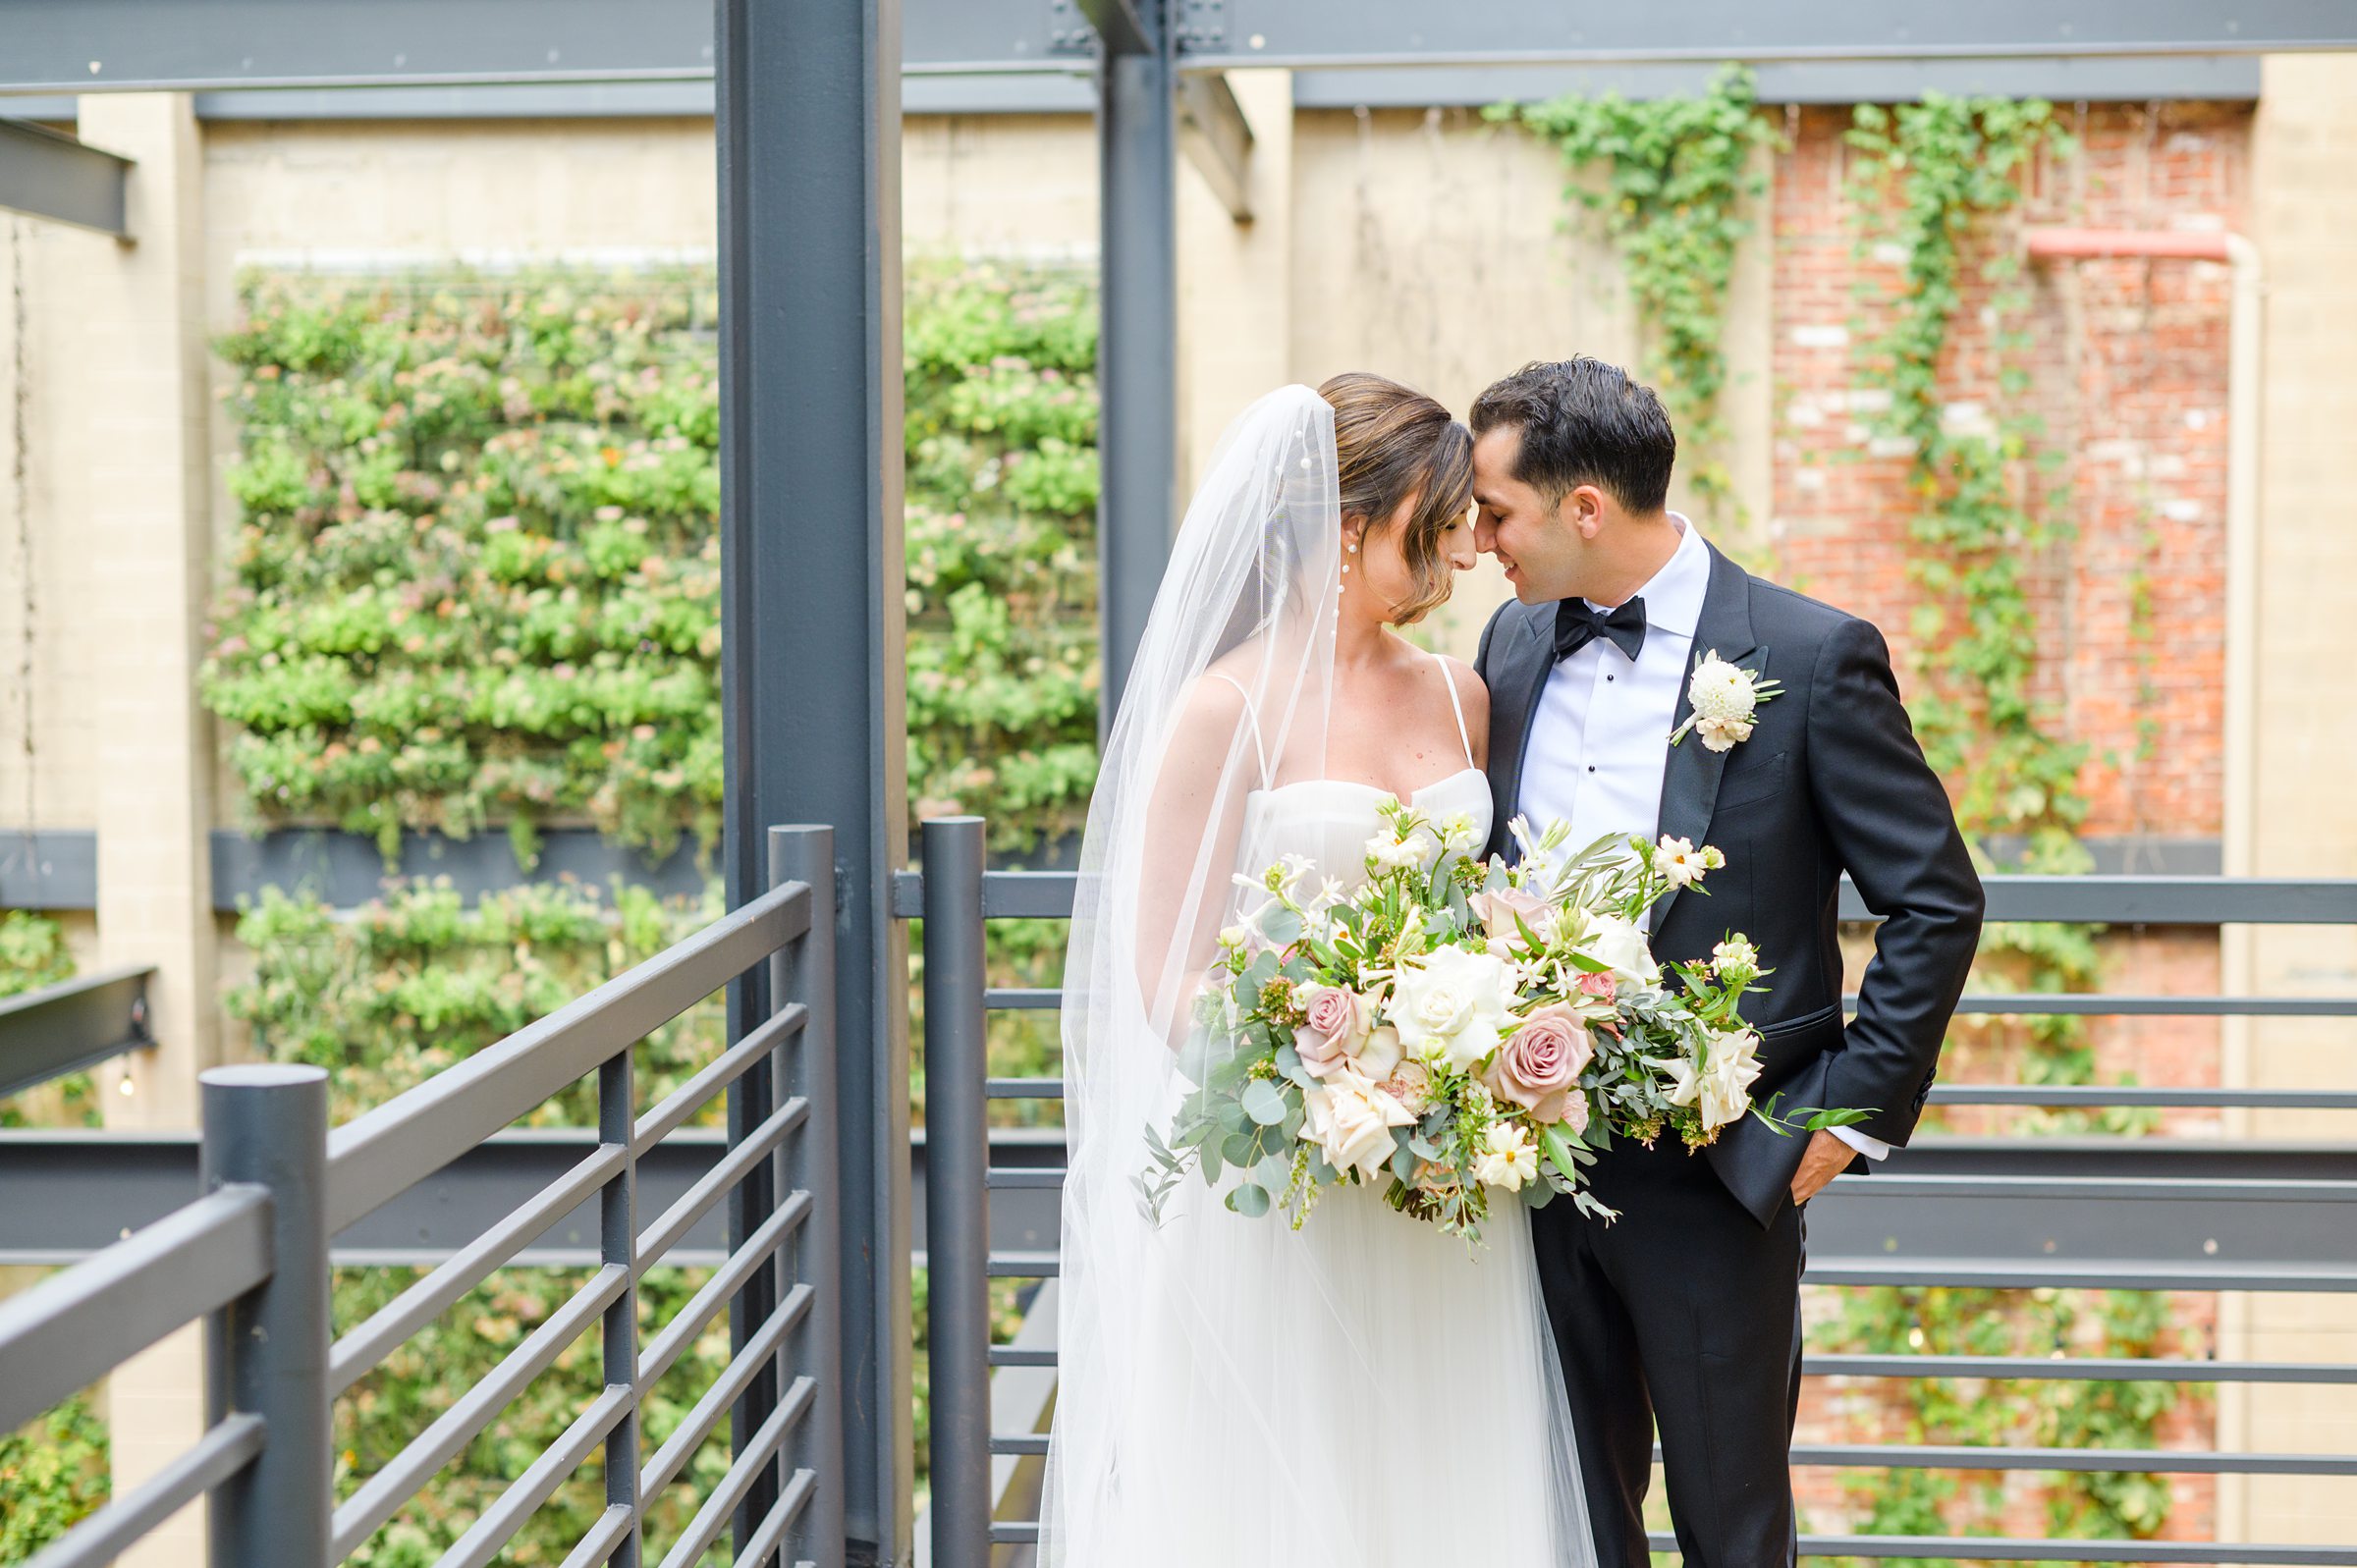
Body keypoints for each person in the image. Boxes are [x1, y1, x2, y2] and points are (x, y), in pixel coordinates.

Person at [1039, 374, 1600, 1566]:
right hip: (1287, 1200)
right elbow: (1168, 984)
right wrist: (1339, 1072)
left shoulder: (1464, 696)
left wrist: (1475, 1052)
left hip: (1447, 1192)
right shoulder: (1220, 711)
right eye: (1435, 518)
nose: (1460, 546)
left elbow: (1496, 911)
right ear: (1351, 523)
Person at [1469, 355, 1986, 1567]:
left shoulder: (1810, 658)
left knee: (1732, 1529)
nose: (1478, 537)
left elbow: (1935, 899)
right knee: (1561, 1519)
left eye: (1496, 511)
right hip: (1523, 1169)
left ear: (1582, 508)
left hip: (1719, 1172)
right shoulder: (1507, 641)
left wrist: (1843, 1118)